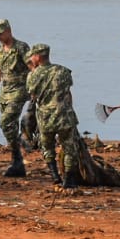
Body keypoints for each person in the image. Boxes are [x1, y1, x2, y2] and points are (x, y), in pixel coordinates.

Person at [0, 19, 32, 177]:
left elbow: (32, 68)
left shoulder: (21, 47)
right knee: (10, 126)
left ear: (9, 30)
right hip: (4, 92)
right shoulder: (0, 49)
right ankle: (18, 161)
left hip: (20, 90)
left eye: (1, 33)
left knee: (5, 122)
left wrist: (36, 89)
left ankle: (18, 156)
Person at [27, 44, 83, 187]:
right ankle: (69, 179)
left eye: (33, 55)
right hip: (64, 116)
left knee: (47, 147)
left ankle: (54, 175)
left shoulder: (33, 75)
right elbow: (68, 94)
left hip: (46, 118)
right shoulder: (63, 71)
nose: (31, 58)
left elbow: (33, 96)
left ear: (38, 57)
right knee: (69, 147)